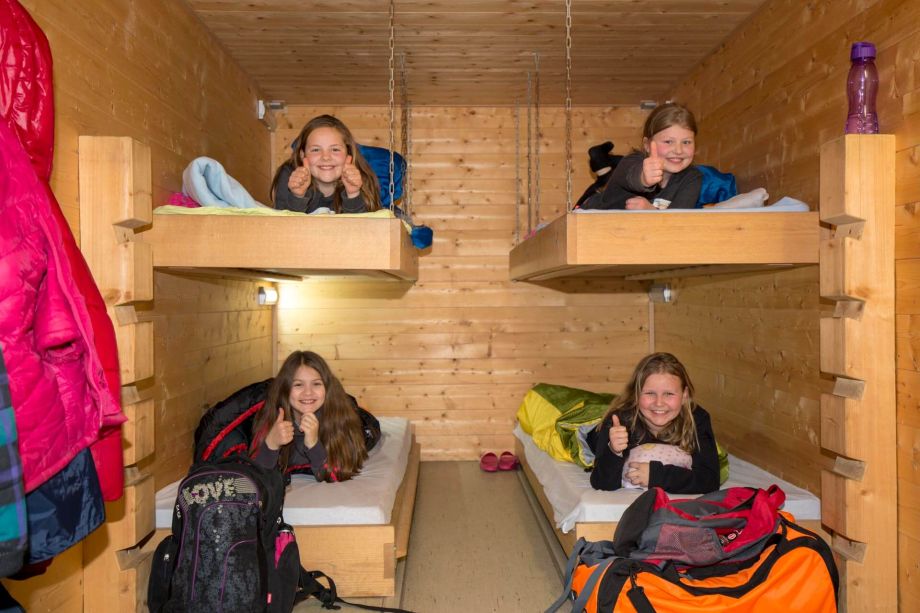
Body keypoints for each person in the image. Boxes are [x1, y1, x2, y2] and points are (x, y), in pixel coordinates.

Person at [588, 352, 720, 493]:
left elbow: (710, 481)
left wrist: (656, 476)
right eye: (650, 393)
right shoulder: (618, 422)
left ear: (684, 395)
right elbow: (602, 483)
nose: (659, 403)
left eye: (669, 394)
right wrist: (614, 451)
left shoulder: (697, 419)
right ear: (636, 395)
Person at [250, 350, 381, 482]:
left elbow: (338, 473)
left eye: (316, 384)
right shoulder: (272, 416)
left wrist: (313, 444)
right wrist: (271, 445)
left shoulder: (340, 418)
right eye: (298, 385)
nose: (308, 392)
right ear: (285, 389)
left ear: (326, 388)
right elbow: (255, 479)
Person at [581, 103, 702, 210]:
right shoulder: (631, 161)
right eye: (668, 142)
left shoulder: (692, 177)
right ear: (647, 145)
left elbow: (678, 221)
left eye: (686, 142)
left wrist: (651, 212)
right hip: (592, 220)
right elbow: (632, 176)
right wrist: (644, 177)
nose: (678, 150)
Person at [270, 114, 382, 214]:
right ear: (302, 155)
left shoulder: (362, 179)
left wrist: (353, 195)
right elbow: (280, 227)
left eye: (335, 149)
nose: (326, 157)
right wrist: (297, 197)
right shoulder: (290, 177)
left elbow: (365, 229)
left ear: (348, 153)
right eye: (315, 150)